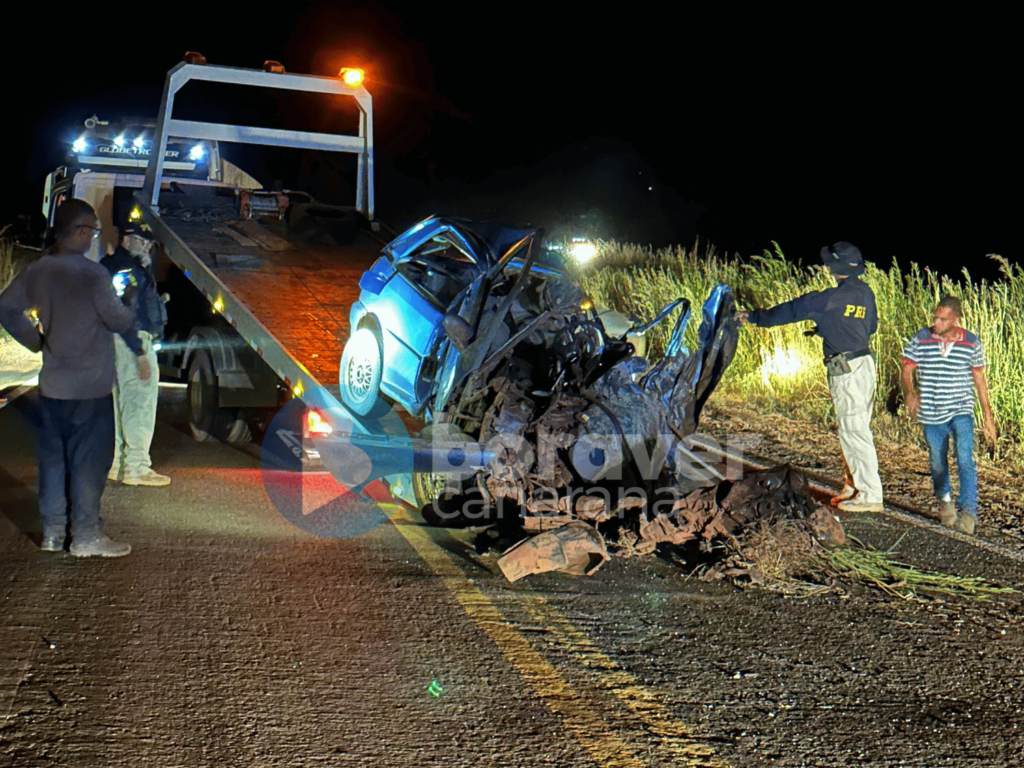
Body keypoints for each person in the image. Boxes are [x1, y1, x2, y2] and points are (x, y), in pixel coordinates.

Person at [0, 199, 148, 557]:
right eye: (92, 232)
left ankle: (53, 533)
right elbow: (118, 321)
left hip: (53, 388)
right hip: (90, 390)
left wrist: (37, 341)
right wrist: (130, 300)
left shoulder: (38, 271)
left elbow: (6, 308)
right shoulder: (92, 275)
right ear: (80, 232)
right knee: (88, 462)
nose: (93, 238)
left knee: (54, 460)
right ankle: (85, 535)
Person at [735, 241, 884, 513]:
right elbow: (870, 326)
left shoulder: (827, 299)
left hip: (846, 369)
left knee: (853, 430)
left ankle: (870, 493)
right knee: (856, 426)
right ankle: (853, 486)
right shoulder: (866, 293)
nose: (825, 267)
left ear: (835, 267)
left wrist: (754, 317)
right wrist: (832, 327)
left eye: (828, 263)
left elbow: (792, 310)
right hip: (864, 364)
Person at [900, 296, 996, 535]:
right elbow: (906, 369)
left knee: (964, 458)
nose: (937, 323)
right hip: (932, 412)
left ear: (956, 320)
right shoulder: (922, 338)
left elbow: (979, 380)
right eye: (935, 317)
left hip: (961, 409)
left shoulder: (971, 342)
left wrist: (988, 417)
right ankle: (945, 501)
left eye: (943, 319)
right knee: (937, 460)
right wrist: (910, 393)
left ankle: (969, 512)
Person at [102, 223, 170, 486]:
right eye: (142, 241)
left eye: (149, 244)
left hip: (117, 340)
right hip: (132, 339)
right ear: (127, 240)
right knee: (139, 402)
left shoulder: (117, 265)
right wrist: (139, 351)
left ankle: (119, 464)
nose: (147, 247)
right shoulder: (126, 269)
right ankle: (137, 467)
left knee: (121, 404)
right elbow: (125, 309)